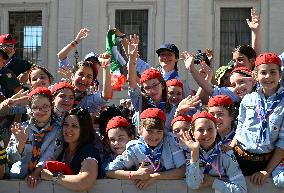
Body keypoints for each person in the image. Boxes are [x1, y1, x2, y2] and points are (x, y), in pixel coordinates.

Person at [230, 52, 284, 187]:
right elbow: (240, 126)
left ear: (280, 75)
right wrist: (231, 146)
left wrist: (266, 171)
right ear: (255, 75)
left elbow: (282, 142)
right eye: (263, 72)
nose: (268, 77)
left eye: (273, 72)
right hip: (239, 157)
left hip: (265, 161)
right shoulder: (248, 98)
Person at [106, 108, 186, 189]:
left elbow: (182, 170)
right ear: (140, 129)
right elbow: (109, 171)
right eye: (150, 131)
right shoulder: (134, 148)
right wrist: (134, 174)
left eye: (159, 131)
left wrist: (155, 176)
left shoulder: (171, 142)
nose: (154, 136)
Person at [6, 87, 63, 187]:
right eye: (36, 107)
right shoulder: (21, 128)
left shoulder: (57, 130)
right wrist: (21, 144)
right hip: (17, 179)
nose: (40, 111)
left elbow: (51, 154)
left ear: (52, 105)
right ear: (30, 108)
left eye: (45, 106)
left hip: (43, 180)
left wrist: (37, 172)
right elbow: (10, 158)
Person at [180, 112, 247, 193]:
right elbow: (193, 184)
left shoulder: (226, 154)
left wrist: (213, 182)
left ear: (216, 131)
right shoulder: (187, 152)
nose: (206, 133)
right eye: (200, 130)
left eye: (210, 129)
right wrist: (194, 152)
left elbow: (241, 190)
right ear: (193, 133)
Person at [41, 108, 101, 191]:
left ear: (84, 129)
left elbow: (85, 181)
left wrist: (52, 176)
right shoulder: (61, 150)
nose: (68, 129)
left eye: (74, 126)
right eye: (66, 124)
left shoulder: (89, 150)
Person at [127, 35, 175, 132]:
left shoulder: (171, 106)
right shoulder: (140, 101)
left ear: (162, 85)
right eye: (147, 88)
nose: (152, 90)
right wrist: (132, 59)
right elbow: (132, 82)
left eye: (154, 85)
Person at [183, 50, 256, 102]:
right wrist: (192, 69)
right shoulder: (234, 93)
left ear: (253, 81)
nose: (238, 87)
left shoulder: (261, 90)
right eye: (233, 85)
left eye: (241, 81)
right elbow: (207, 92)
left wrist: (256, 32)